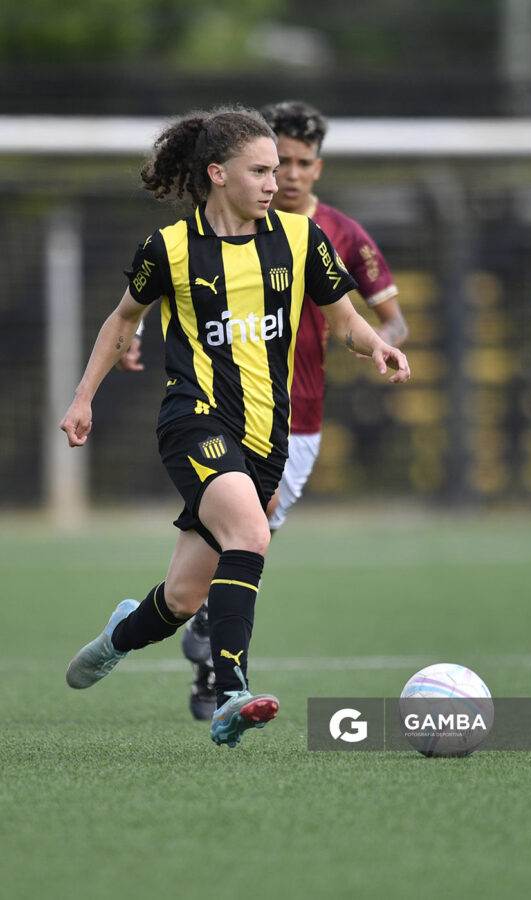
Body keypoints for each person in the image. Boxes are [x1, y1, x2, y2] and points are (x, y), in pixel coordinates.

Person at [60, 105, 411, 749]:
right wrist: (84, 397)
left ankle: (118, 638)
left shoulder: (301, 240)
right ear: (218, 173)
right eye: (261, 170)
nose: (275, 182)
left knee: (184, 598)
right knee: (252, 532)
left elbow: (345, 321)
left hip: (266, 437)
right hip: (193, 420)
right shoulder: (167, 248)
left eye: (279, 169)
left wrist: (376, 346)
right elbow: (121, 320)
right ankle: (231, 694)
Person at [176, 100, 409, 720]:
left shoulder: (338, 235)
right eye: (281, 162)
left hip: (298, 417)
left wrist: (375, 342)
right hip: (226, 410)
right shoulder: (221, 228)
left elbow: (391, 317)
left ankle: (197, 628)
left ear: (317, 167)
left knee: (250, 537)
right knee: (248, 533)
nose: (291, 176)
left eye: (303, 164)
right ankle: (215, 665)